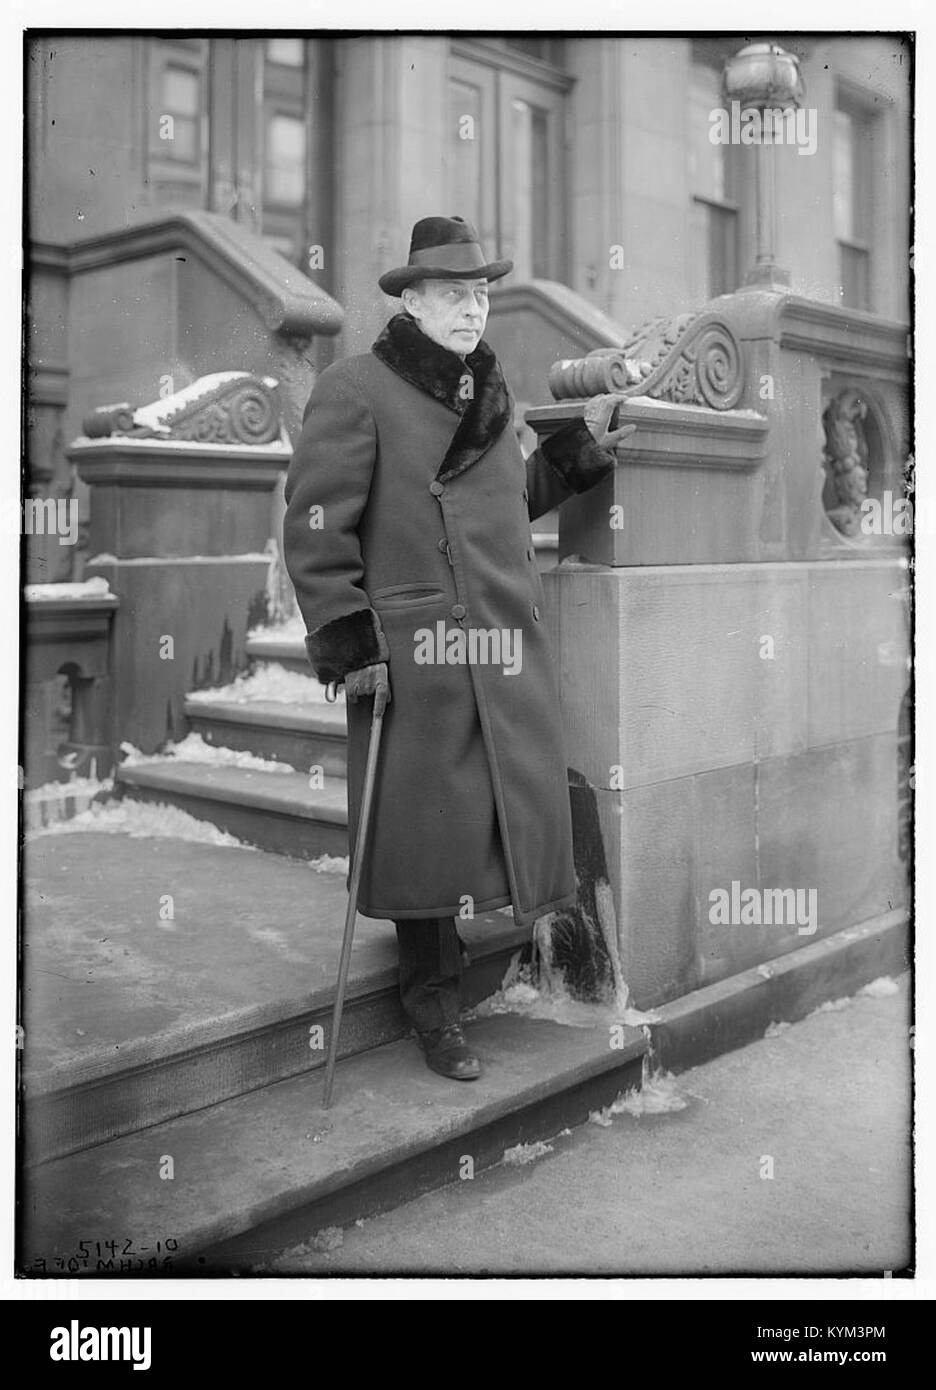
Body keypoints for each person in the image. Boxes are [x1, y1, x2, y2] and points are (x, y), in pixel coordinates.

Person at [283, 215, 635, 1081]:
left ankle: (488, 964)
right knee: (424, 832)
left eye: (481, 295)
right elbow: (316, 523)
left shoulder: (487, 392)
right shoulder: (357, 388)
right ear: (412, 301)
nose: (473, 311)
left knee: (489, 811)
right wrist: (348, 636)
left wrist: (581, 449)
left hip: (498, 643)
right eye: (453, 296)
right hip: (415, 655)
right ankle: (433, 1010)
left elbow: (511, 499)